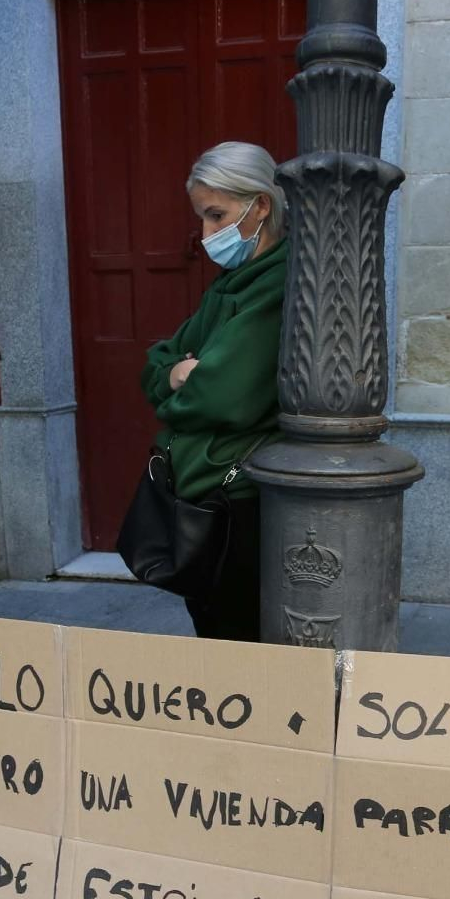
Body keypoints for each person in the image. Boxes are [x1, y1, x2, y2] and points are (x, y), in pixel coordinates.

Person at [140, 141, 289, 641]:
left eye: (216, 215)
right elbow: (158, 362)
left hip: (234, 499)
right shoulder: (228, 285)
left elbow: (222, 396)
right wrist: (175, 375)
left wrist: (185, 381)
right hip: (199, 493)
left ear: (260, 205)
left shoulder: (277, 284)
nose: (206, 235)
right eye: (203, 218)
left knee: (236, 639)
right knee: (213, 630)